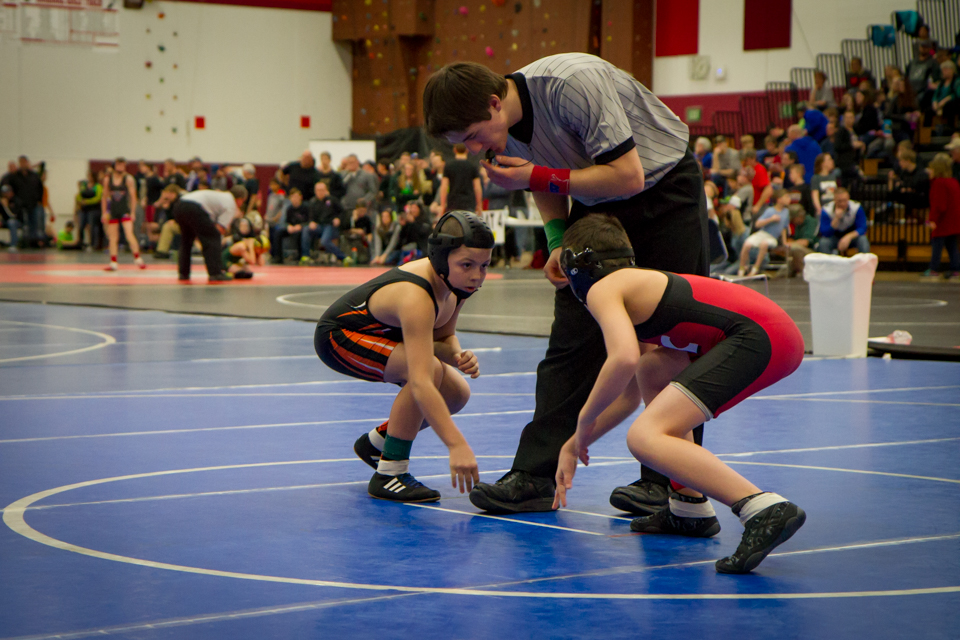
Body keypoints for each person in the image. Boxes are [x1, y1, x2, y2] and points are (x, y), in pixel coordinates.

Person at [423, 53, 708, 515]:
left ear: (495, 103)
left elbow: (628, 174)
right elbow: (543, 178)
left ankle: (670, 482)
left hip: (665, 189)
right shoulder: (501, 132)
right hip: (594, 201)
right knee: (571, 336)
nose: (475, 150)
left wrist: (536, 175)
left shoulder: (573, 84)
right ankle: (535, 475)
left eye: (473, 137)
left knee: (671, 337)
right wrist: (556, 239)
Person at [551, 214, 806, 574]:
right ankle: (689, 507)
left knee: (644, 437)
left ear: (576, 267)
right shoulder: (635, 289)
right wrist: (575, 442)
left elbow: (621, 358)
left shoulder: (603, 288)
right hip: (768, 333)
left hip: (761, 336)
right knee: (652, 368)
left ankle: (761, 507)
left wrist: (584, 418)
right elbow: (629, 394)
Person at [319, 211, 494, 502]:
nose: (477, 275)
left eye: (484, 265)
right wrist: (456, 444)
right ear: (441, 259)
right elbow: (421, 381)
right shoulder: (417, 296)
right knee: (428, 373)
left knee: (457, 393)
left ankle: (378, 444)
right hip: (340, 337)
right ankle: (390, 472)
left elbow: (442, 337)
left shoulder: (457, 283)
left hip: (383, 335)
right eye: (467, 264)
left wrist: (457, 354)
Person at [172, 184, 247, 282]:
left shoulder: (223, 196)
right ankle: (215, 273)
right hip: (194, 207)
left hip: (180, 204)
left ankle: (183, 273)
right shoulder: (231, 204)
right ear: (240, 199)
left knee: (186, 240)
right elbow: (219, 229)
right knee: (213, 238)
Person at [101, 158, 145, 271]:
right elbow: (104, 197)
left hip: (125, 210)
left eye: (123, 165)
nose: (121, 167)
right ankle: (113, 262)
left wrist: (133, 212)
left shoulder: (128, 179)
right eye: (119, 165)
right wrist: (104, 212)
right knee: (113, 237)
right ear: (114, 166)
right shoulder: (108, 179)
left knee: (129, 234)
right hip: (113, 211)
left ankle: (138, 258)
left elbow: (133, 197)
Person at [738, 188, 791, 276]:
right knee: (747, 244)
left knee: (764, 244)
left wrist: (784, 241)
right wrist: (771, 219)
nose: (789, 199)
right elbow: (757, 224)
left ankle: (755, 268)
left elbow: (784, 228)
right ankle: (742, 268)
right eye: (786, 197)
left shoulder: (786, 212)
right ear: (779, 199)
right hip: (763, 233)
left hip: (772, 237)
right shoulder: (770, 211)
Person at [924, 153, 960, 278]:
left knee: (937, 245)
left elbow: (939, 205)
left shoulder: (939, 183)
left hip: (943, 221)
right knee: (952, 245)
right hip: (954, 220)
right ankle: (956, 269)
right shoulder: (953, 181)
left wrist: (932, 220)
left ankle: (933, 268)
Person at [303, 181, 345, 265]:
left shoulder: (332, 200)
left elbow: (342, 212)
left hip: (330, 226)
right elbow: (310, 216)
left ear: (326, 190)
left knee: (324, 241)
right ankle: (306, 256)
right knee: (306, 230)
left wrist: (338, 219)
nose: (320, 192)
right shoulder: (312, 202)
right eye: (318, 190)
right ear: (315, 191)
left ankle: (342, 256)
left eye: (322, 190)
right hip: (318, 226)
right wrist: (311, 222)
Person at [818, 187, 870, 255]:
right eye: (839, 201)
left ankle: (865, 260)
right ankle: (826, 262)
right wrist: (836, 219)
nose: (842, 204)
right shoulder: (826, 210)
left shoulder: (856, 207)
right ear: (834, 199)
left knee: (863, 239)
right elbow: (824, 232)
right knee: (823, 242)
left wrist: (848, 237)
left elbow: (862, 228)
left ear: (848, 198)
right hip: (834, 237)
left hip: (851, 236)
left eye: (845, 200)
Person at [271, 188, 308, 263]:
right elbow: (286, 222)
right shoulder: (289, 209)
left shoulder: (305, 208)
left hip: (302, 228)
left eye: (296, 197)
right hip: (292, 228)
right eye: (293, 197)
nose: (295, 199)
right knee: (278, 232)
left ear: (300, 197)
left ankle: (300, 256)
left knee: (301, 233)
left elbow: (309, 221)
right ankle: (278, 257)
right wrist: (288, 226)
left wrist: (301, 226)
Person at [0, 184, 21, 250]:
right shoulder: (2, 201)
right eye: (3, 193)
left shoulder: (16, 201)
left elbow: (13, 216)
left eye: (6, 193)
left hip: (17, 221)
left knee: (11, 222)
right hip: (5, 221)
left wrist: (6, 207)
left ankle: (13, 244)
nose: (5, 195)